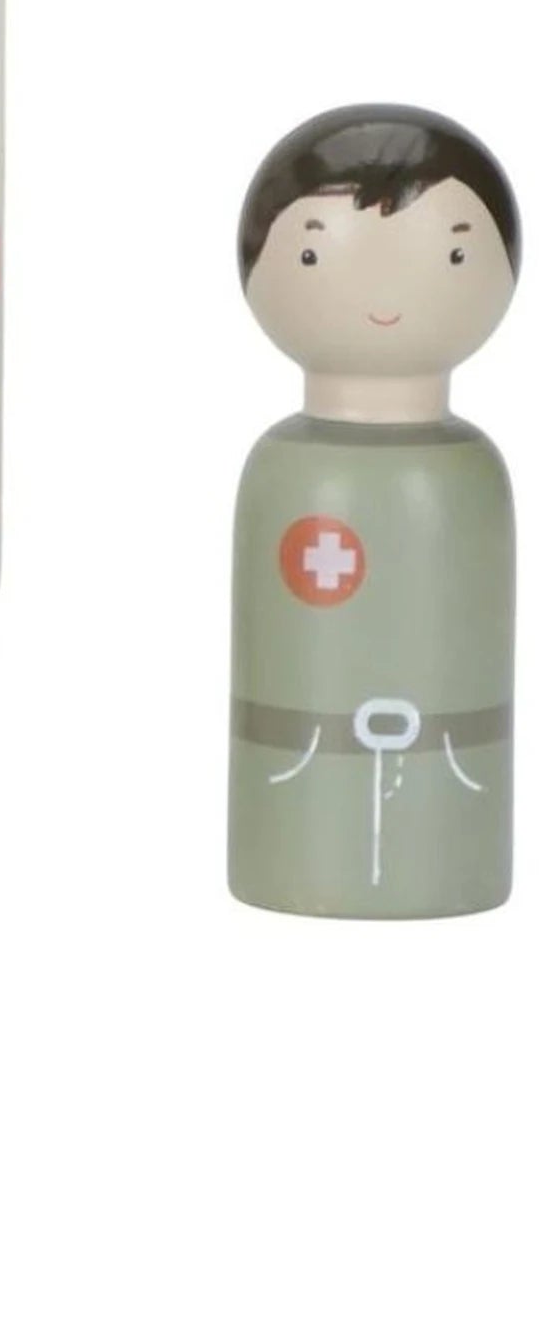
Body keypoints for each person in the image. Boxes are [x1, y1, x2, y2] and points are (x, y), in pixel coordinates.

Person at [230, 104, 519, 916]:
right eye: (314, 252)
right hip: (303, 761)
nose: (386, 294)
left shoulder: (464, 475)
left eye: (452, 253)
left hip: (446, 764)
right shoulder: (290, 471)